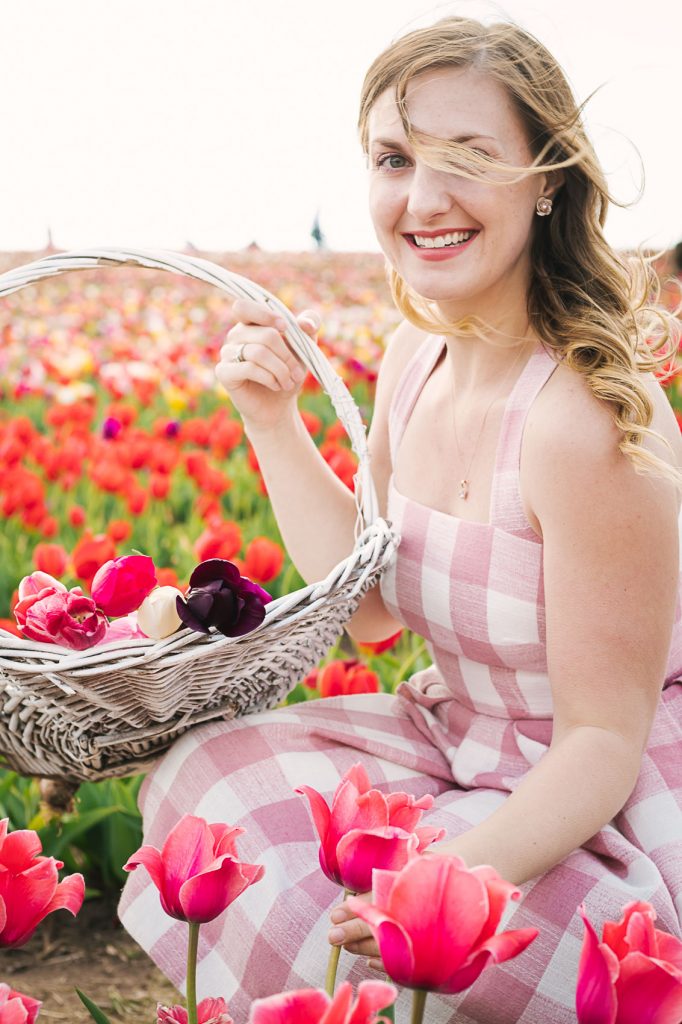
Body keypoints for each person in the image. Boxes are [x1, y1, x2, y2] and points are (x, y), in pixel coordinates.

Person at [119, 15, 682, 1023]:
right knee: (211, 778)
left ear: (546, 177)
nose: (423, 199)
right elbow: (371, 608)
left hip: (607, 790)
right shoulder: (414, 362)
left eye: (468, 156)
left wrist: (447, 878)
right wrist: (272, 421)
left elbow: (601, 739)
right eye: (393, 157)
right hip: (462, 738)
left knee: (450, 946)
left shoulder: (584, 421)